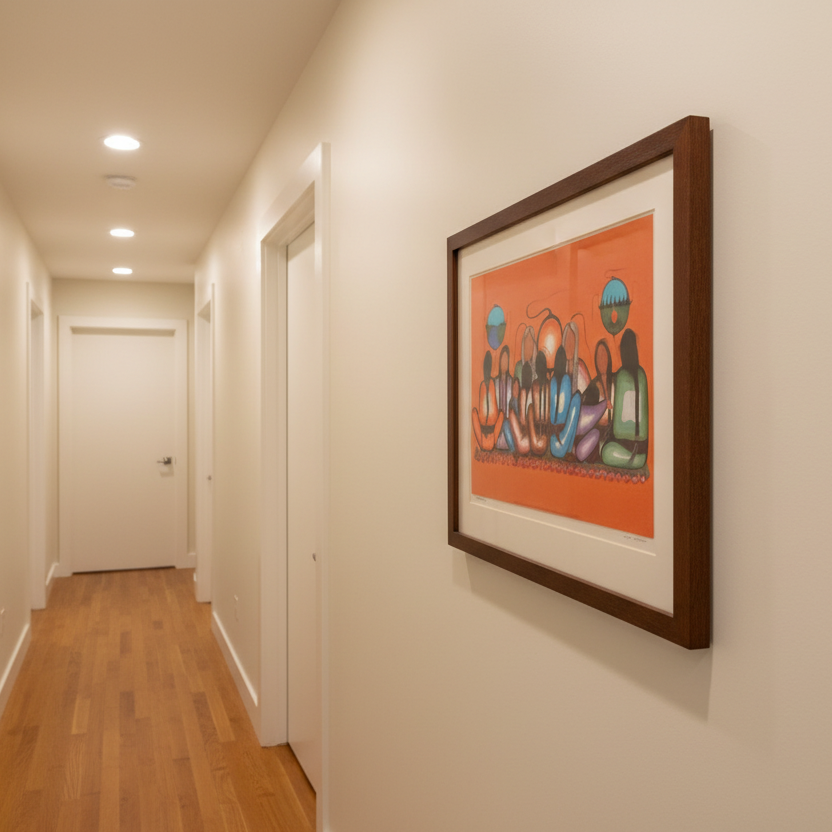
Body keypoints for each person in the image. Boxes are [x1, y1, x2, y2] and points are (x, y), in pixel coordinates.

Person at [600, 328, 648, 468]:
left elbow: (618, 430)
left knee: (604, 451)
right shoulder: (642, 375)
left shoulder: (621, 376)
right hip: (642, 454)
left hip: (626, 452)